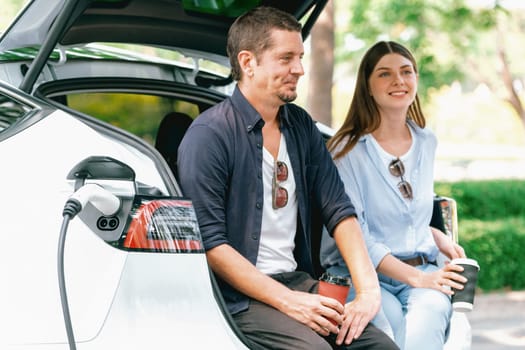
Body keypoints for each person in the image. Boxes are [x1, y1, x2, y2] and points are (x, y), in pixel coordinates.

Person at [177, 6, 398, 350]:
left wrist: (369, 290)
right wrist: (287, 301)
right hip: (236, 298)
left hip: (299, 282)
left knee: (380, 346)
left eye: (300, 57)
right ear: (248, 63)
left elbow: (339, 209)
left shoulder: (301, 126)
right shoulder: (209, 134)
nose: (299, 69)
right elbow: (211, 244)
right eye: (286, 58)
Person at [320, 41, 468, 350]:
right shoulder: (345, 150)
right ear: (368, 87)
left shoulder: (427, 142)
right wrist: (418, 280)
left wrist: (436, 237)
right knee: (389, 328)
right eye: (385, 74)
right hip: (360, 274)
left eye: (406, 72)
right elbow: (356, 232)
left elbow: (408, 212)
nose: (398, 81)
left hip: (422, 269)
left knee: (428, 320)